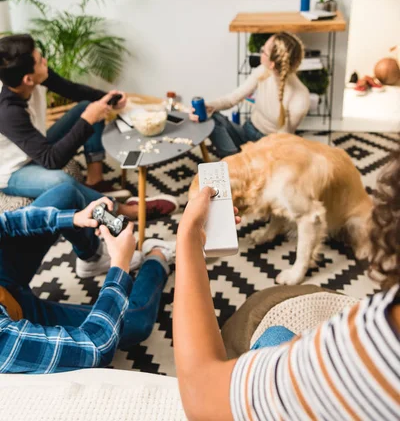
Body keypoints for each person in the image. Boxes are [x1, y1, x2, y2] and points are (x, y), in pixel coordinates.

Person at [173, 148, 400, 420]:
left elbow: (200, 396)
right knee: (277, 336)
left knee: (262, 332)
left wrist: (187, 239)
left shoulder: (377, 338)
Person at [0, 183, 175, 374]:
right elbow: (96, 345)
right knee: (133, 320)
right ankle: (157, 257)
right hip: (17, 317)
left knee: (66, 194)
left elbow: (5, 222)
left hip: (4, 282)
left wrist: (74, 218)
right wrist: (119, 266)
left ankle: (92, 258)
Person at [0, 34, 178, 219]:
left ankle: (95, 181)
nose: (45, 60)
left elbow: (71, 89)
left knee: (91, 105)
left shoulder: (29, 76)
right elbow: (51, 160)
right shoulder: (7, 112)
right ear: (28, 79)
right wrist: (87, 120)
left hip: (36, 144)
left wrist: (110, 98)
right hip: (14, 170)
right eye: (39, 60)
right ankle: (122, 211)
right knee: (62, 182)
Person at [190, 32, 310, 158]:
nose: (260, 51)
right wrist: (208, 107)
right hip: (248, 131)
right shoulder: (263, 71)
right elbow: (231, 99)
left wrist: (254, 154)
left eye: (263, 50)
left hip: (269, 149)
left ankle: (234, 164)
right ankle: (235, 162)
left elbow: (281, 143)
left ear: (272, 63)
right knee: (213, 117)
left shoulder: (300, 98)